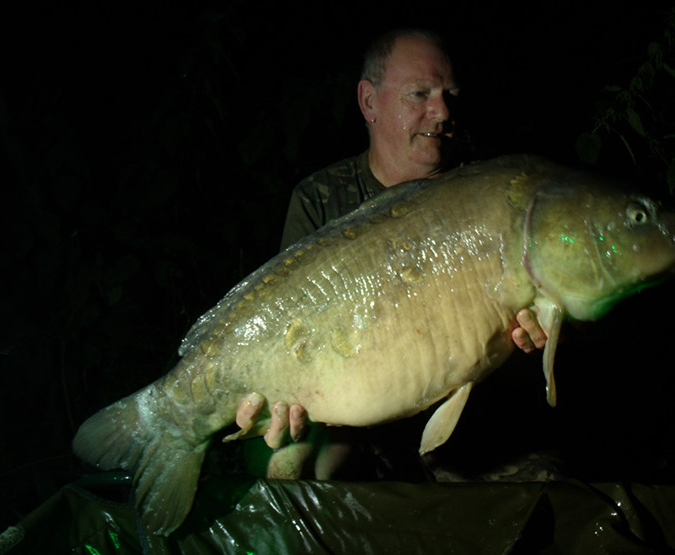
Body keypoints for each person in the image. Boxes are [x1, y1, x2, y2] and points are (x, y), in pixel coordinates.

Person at [234, 29, 547, 475]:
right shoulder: (321, 199)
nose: (441, 111)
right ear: (369, 103)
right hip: (355, 415)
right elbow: (290, 330)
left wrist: (530, 344)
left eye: (449, 94)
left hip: (468, 418)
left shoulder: (490, 196)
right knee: (284, 458)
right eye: (419, 94)